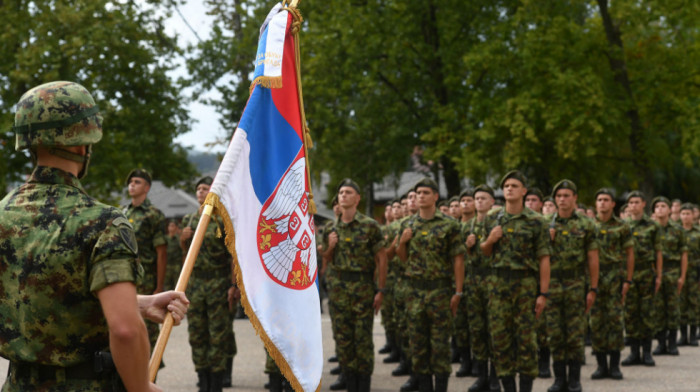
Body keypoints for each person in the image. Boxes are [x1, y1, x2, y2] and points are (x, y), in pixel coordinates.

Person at [0, 81, 189, 392]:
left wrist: (138, 303)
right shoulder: (104, 222)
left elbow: (40, 296)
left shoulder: (4, 214)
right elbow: (126, 330)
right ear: (81, 143)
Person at [480, 170, 551, 392]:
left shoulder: (536, 221)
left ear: (524, 191)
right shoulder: (492, 219)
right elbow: (483, 252)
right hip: (498, 287)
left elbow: (544, 259)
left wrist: (543, 293)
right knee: (500, 341)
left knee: (527, 341)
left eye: (514, 185)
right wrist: (490, 240)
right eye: (506, 185)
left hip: (525, 288)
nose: (509, 188)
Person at [396, 177, 465, 392]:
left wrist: (458, 291)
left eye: (426, 193)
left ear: (435, 196)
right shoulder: (407, 224)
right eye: (418, 194)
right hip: (415, 291)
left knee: (440, 346)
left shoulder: (449, 224)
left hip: (440, 291)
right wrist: (402, 242)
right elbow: (402, 257)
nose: (421, 197)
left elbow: (458, 259)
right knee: (418, 345)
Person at [322, 179, 388, 392]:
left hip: (362, 290)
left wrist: (380, 290)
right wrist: (330, 247)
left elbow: (382, 258)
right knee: (343, 341)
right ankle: (350, 383)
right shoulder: (331, 227)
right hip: (339, 291)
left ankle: (364, 386)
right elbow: (326, 261)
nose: (343, 196)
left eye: (348, 192)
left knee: (363, 341)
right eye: (341, 192)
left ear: (357, 199)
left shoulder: (370, 226)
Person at [180, 176, 239, 392]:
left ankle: (216, 383)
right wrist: (182, 240)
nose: (201, 192)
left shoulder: (223, 220)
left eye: (205, 188)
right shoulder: (189, 220)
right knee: (196, 334)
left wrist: (234, 286)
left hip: (218, 284)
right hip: (196, 285)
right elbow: (187, 258)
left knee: (218, 334)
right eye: (198, 189)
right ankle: (202, 380)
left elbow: (233, 256)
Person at [545, 180, 599, 392]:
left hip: (576, 284)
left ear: (575, 198)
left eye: (566, 195)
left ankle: (575, 379)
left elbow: (593, 258)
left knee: (575, 334)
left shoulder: (586, 224)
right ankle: (559, 379)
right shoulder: (545, 223)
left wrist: (592, 288)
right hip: (552, 285)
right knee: (555, 334)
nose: (562, 199)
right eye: (558, 196)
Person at [590, 188, 634, 381]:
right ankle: (601, 366)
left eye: (606, 200)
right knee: (597, 322)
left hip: (616, 278)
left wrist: (628, 279)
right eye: (599, 199)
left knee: (615, 322)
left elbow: (630, 254)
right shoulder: (589, 226)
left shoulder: (623, 227)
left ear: (613, 204)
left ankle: (615, 366)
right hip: (595, 279)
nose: (602, 203)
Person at [124, 168, 168, 358]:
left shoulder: (153, 215)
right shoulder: (122, 213)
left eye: (137, 182)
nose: (132, 185)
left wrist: (159, 287)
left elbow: (161, 252)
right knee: (126, 327)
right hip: (125, 278)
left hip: (147, 280)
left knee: (148, 331)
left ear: (147, 187)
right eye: (131, 181)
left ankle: (150, 376)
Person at [464, 185, 500, 392]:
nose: (479, 201)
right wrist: (468, 247)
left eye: (483, 198)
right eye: (476, 198)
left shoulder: (497, 225)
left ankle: (495, 377)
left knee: (494, 331)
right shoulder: (467, 227)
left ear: (492, 202)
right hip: (474, 284)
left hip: (493, 283)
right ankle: (481, 376)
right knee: (477, 331)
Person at [621, 191, 663, 367]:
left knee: (647, 313)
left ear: (644, 204)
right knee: (630, 313)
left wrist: (659, 275)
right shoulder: (623, 226)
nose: (633, 205)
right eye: (631, 202)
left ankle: (646, 353)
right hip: (629, 275)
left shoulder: (652, 226)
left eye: (637, 202)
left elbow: (658, 252)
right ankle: (633, 353)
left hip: (646, 272)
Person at [650, 196, 687, 356]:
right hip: (655, 273)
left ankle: (672, 343)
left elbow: (684, 254)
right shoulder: (650, 229)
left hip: (672, 272)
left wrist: (682, 276)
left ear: (670, 209)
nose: (660, 208)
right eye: (657, 206)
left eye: (663, 205)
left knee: (672, 309)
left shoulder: (678, 230)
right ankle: (660, 343)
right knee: (657, 309)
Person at [678, 203, 700, 347]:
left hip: (695, 272)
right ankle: (683, 335)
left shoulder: (698, 233)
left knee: (694, 303)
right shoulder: (676, 232)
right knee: (681, 303)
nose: (686, 216)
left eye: (688, 213)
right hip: (679, 272)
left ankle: (692, 335)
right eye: (683, 213)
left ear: (694, 215)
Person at [165, 220, 183, 290]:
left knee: (177, 285)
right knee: (167, 286)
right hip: (167, 265)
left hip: (177, 265)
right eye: (169, 226)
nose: (170, 228)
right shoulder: (165, 239)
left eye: (172, 226)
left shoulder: (178, 238)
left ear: (176, 227)